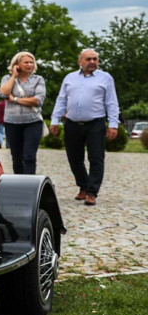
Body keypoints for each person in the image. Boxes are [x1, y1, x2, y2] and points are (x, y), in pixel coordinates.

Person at [50, 48, 120, 206]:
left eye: (95, 59)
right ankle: (83, 185)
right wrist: (54, 120)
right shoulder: (70, 78)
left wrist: (113, 124)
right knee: (74, 158)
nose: (92, 62)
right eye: (88, 59)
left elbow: (112, 102)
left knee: (96, 158)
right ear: (80, 61)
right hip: (72, 123)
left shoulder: (105, 78)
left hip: (95, 123)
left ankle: (91, 192)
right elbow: (61, 100)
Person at [0, 51, 46, 174]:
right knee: (16, 157)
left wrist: (15, 99)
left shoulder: (38, 79)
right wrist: (14, 76)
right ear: (17, 64)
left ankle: (30, 183)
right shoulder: (7, 78)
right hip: (12, 122)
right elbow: (3, 93)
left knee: (29, 156)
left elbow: (38, 100)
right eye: (26, 62)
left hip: (33, 122)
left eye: (31, 62)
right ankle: (19, 182)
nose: (29, 65)